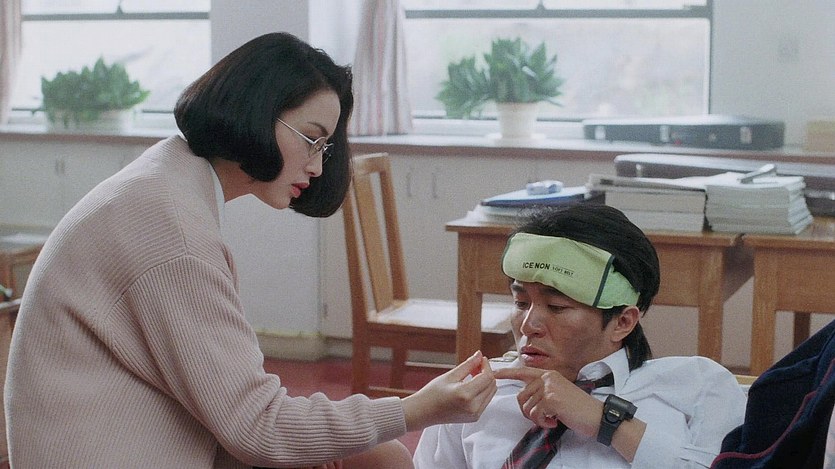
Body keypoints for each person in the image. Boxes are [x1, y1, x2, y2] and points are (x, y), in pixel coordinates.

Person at [4, 32, 497, 469]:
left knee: (379, 456)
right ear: (258, 111)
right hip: (117, 452)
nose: (318, 167)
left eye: (325, 149)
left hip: (139, 439)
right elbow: (259, 427)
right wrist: (420, 407)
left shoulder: (168, 178)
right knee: (383, 459)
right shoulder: (172, 232)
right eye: (312, 140)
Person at [413, 204, 747, 468]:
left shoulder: (696, 387)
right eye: (521, 303)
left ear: (622, 322)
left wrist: (605, 421)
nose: (528, 325)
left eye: (557, 307)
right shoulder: (474, 397)